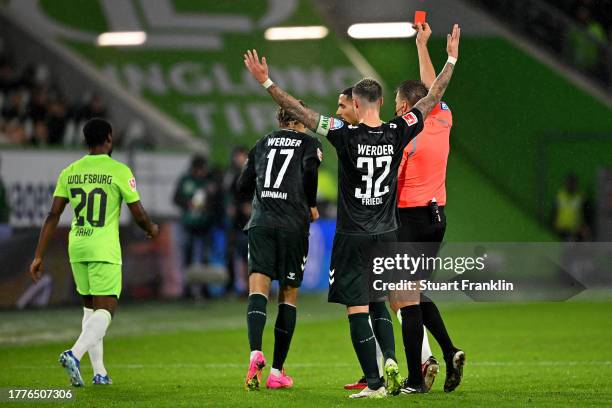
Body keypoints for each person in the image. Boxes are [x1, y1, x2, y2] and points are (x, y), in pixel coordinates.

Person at [243, 22, 460, 398]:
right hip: (387, 233)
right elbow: (433, 96)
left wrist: (266, 82)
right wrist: (451, 58)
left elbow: (300, 112)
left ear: (357, 105)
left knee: (357, 308)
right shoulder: (398, 130)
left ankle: (374, 381)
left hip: (352, 234)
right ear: (380, 103)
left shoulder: (343, 133)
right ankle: (393, 360)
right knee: (385, 300)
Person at [28, 118, 159, 387]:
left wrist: (38, 255)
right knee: (107, 309)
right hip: (103, 248)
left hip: (77, 246)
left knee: (90, 309)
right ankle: (74, 354)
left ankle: (99, 373)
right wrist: (151, 228)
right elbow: (138, 213)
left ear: (86, 141)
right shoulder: (119, 171)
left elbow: (53, 214)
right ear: (109, 139)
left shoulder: (70, 171)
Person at [394, 22, 465, 393]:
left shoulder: (407, 131)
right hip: (437, 218)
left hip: (409, 217)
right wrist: (425, 46)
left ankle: (415, 380)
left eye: (396, 104)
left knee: (405, 301)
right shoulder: (444, 119)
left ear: (405, 106)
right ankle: (450, 350)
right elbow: (433, 89)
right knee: (417, 294)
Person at [238, 102, 322, 390]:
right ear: (301, 119)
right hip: (292, 225)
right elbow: (310, 172)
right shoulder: (310, 143)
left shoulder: (262, 143)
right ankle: (276, 372)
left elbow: (241, 186)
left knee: (257, 289)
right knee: (287, 295)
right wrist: (310, 203)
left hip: (261, 223)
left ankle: (255, 352)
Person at [173, 155, 222, 300]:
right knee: (187, 258)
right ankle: (187, 290)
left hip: (205, 224)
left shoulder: (210, 182)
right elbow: (176, 198)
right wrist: (187, 203)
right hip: (188, 224)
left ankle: (205, 289)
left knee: (205, 258)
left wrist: (209, 207)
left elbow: (218, 201)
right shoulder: (185, 180)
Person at [223, 146, 251, 296]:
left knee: (255, 256)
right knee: (241, 255)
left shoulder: (255, 173)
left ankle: (258, 288)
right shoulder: (232, 176)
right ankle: (244, 287)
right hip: (238, 222)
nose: (239, 159)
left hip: (253, 221)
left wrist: (253, 206)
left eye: (242, 156)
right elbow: (229, 196)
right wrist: (232, 207)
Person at [552, 172, 590, 241]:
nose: (570, 185)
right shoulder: (560, 196)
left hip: (575, 232)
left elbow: (587, 214)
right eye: (568, 183)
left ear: (576, 184)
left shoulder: (581, 197)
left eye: (572, 183)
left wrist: (585, 227)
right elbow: (554, 212)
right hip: (560, 230)